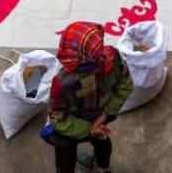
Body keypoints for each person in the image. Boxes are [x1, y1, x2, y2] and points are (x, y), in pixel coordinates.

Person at [46, 21, 133, 173]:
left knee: (65, 151)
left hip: (75, 123)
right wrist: (105, 115)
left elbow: (57, 118)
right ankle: (102, 168)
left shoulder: (62, 83)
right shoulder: (112, 56)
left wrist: (89, 129)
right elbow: (125, 84)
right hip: (102, 115)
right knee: (101, 139)